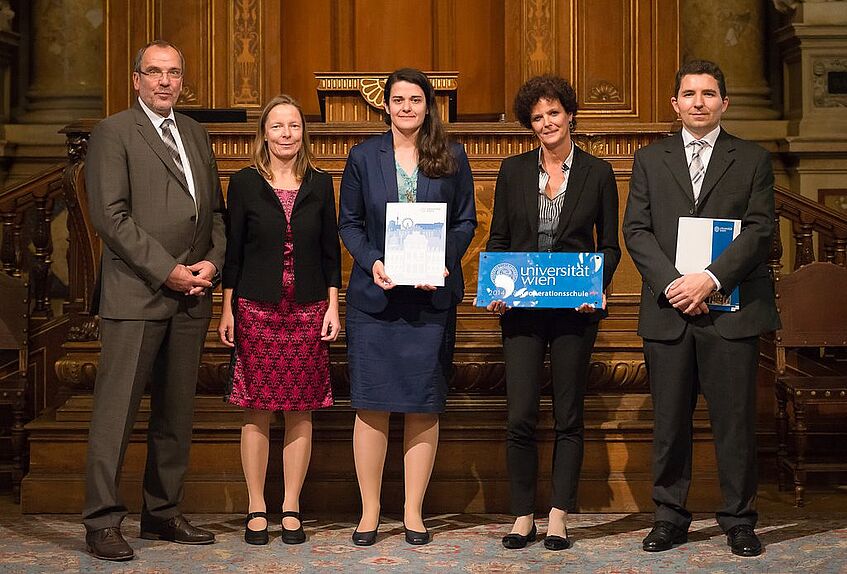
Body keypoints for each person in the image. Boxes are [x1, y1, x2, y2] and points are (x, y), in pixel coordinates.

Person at [623, 59, 780, 557]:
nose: (698, 102)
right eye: (689, 94)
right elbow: (636, 231)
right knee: (669, 422)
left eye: (709, 94)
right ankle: (669, 517)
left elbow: (760, 230)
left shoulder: (752, 159)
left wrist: (709, 279)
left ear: (724, 103)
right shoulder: (650, 159)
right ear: (675, 104)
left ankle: (739, 520)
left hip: (731, 312)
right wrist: (676, 284)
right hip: (669, 310)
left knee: (735, 422)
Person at [82, 40, 226, 561]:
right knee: (116, 413)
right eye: (155, 72)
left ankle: (162, 513)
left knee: (175, 411)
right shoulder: (114, 132)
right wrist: (168, 271)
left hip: (193, 294)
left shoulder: (193, 132)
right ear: (136, 78)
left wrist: (212, 261)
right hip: (137, 293)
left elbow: (214, 212)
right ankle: (101, 520)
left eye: (174, 73)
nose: (165, 81)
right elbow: (111, 217)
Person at [338, 68, 477, 546]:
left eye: (415, 99)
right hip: (376, 300)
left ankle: (413, 512)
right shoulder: (362, 157)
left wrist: (444, 257)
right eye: (398, 99)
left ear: (427, 105)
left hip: (429, 297)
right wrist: (372, 260)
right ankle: (370, 512)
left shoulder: (452, 155)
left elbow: (465, 221)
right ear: (386, 105)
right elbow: (349, 224)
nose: (406, 107)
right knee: (371, 405)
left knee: (423, 404)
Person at [485, 75, 621, 551]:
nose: (546, 123)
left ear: (570, 115)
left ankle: (559, 516)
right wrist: (495, 288)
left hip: (573, 313)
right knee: (520, 414)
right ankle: (523, 515)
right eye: (537, 117)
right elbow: (499, 241)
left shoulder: (599, 173)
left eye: (553, 113)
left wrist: (595, 286)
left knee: (569, 416)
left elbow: (609, 248)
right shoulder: (512, 171)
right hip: (520, 312)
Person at [218, 94, 341, 546]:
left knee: (300, 409)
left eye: (294, 126)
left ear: (303, 133)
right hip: (256, 308)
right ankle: (256, 505)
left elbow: (331, 253)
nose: (287, 134)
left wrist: (332, 305)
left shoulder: (321, 182)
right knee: (257, 407)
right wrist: (227, 307)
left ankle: (290, 505)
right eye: (278, 126)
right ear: (264, 134)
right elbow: (233, 252)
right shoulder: (245, 182)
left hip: (308, 309)